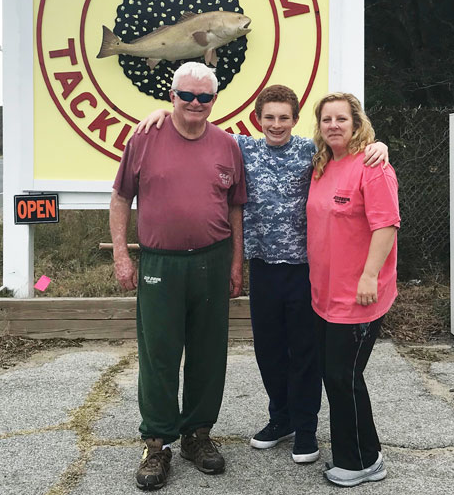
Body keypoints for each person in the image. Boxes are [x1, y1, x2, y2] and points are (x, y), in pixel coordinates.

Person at [137, 85, 388, 466]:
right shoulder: (242, 148)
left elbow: (350, 149)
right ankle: (281, 418)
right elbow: (195, 122)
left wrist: (380, 145)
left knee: (303, 354)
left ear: (295, 119)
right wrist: (161, 112)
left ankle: (305, 427)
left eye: (284, 117)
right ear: (258, 119)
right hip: (264, 268)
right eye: (269, 117)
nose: (276, 124)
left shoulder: (311, 152)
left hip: (305, 269)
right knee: (269, 351)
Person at [110, 61, 246, 491]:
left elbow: (235, 208)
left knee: (208, 353)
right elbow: (120, 198)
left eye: (204, 97)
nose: (194, 103)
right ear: (171, 96)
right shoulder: (145, 138)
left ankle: (197, 435)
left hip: (212, 259)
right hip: (160, 264)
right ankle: (156, 443)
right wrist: (121, 255)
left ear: (214, 101)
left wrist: (236, 263)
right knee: (159, 355)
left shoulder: (227, 145)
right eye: (186, 95)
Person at [306, 92, 400, 488]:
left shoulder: (373, 167)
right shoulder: (323, 165)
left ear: (356, 122)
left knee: (343, 377)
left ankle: (362, 460)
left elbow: (386, 225)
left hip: (358, 297)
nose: (333, 126)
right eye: (326, 119)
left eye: (341, 119)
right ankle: (358, 449)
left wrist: (368, 277)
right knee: (337, 376)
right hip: (325, 296)